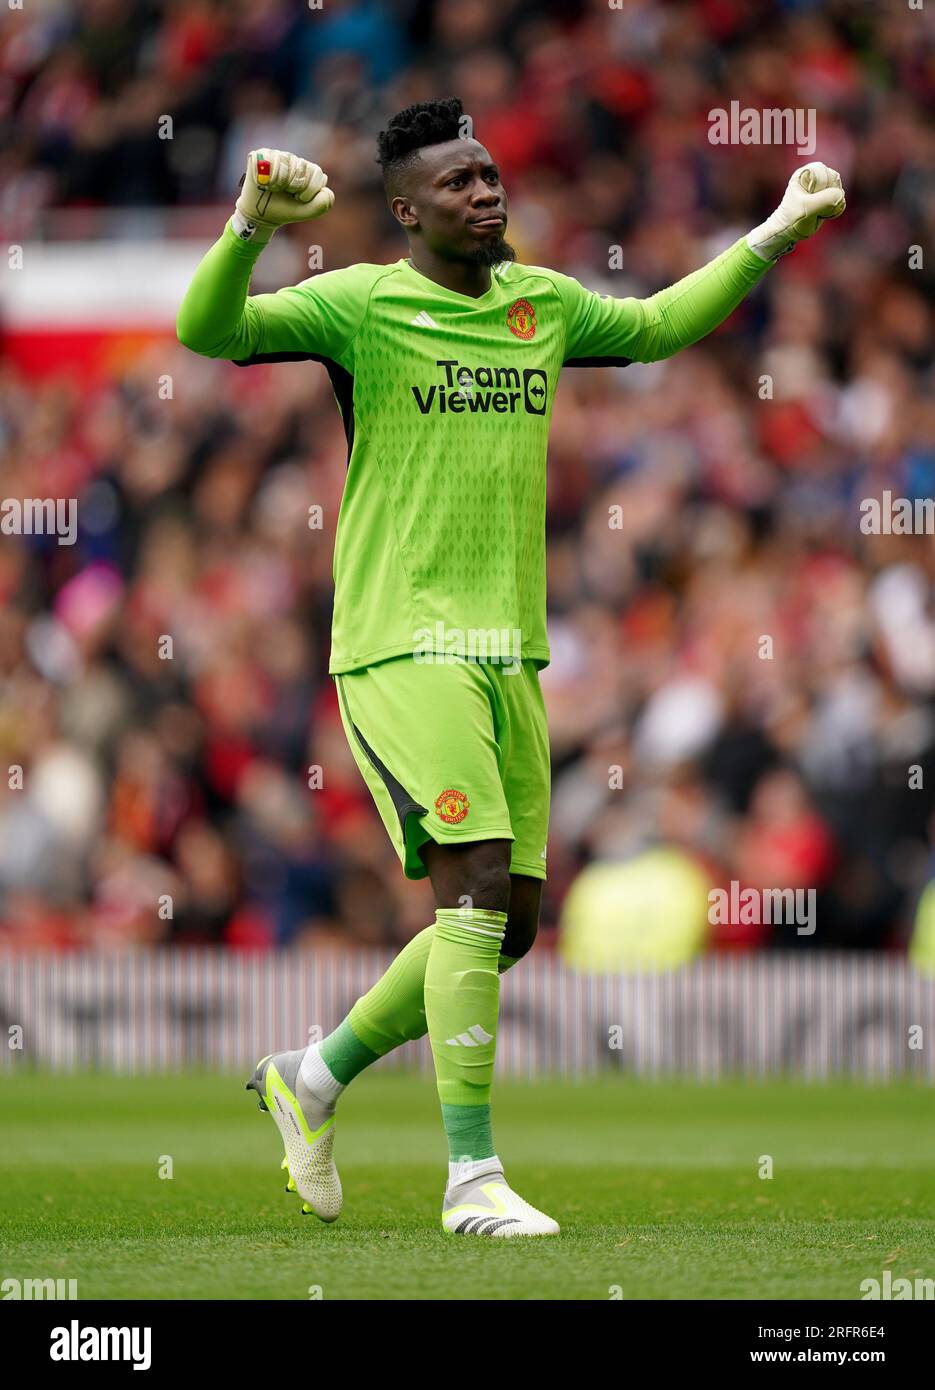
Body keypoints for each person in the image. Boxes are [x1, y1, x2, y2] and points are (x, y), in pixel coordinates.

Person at [176, 96, 845, 1237]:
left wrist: (773, 230)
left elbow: (658, 326)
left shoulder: (540, 304)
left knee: (509, 920)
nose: (487, 191)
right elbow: (209, 331)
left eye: (489, 173)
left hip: (507, 651)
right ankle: (470, 1178)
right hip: (398, 639)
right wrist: (248, 222)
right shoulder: (362, 305)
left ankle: (314, 1076)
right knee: (475, 880)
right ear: (404, 210)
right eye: (458, 183)